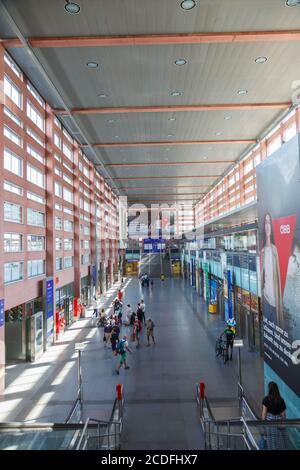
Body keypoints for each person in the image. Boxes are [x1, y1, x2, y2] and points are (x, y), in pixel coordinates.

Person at [261, 212, 283, 327]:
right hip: (266, 300)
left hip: (275, 304)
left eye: (269, 222)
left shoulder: (275, 250)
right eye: (265, 222)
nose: (267, 225)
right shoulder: (262, 251)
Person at [261, 382, 287, 450]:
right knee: (281, 442)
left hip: (270, 424)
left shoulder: (266, 399)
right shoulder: (281, 400)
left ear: (269, 389)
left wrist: (263, 426)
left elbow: (264, 414)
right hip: (279, 423)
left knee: (271, 442)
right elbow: (283, 415)